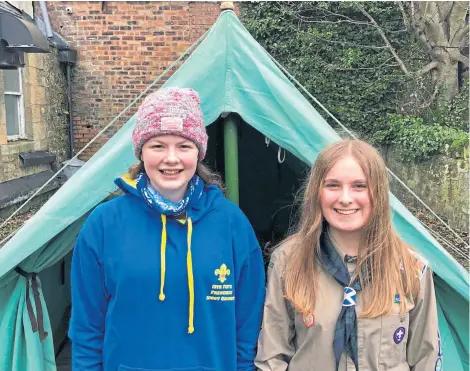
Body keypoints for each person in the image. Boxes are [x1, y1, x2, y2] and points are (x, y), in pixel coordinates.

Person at [69, 87, 265, 371]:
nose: (171, 158)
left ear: (198, 152)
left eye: (184, 146)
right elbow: (87, 327)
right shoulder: (103, 224)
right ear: (141, 152)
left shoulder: (231, 223)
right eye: (158, 145)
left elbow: (247, 327)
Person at [255, 139, 441, 371]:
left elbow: (426, 359)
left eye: (359, 186)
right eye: (332, 185)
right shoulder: (288, 261)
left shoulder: (412, 268)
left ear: (378, 193)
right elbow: (271, 358)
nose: (345, 198)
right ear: (317, 192)